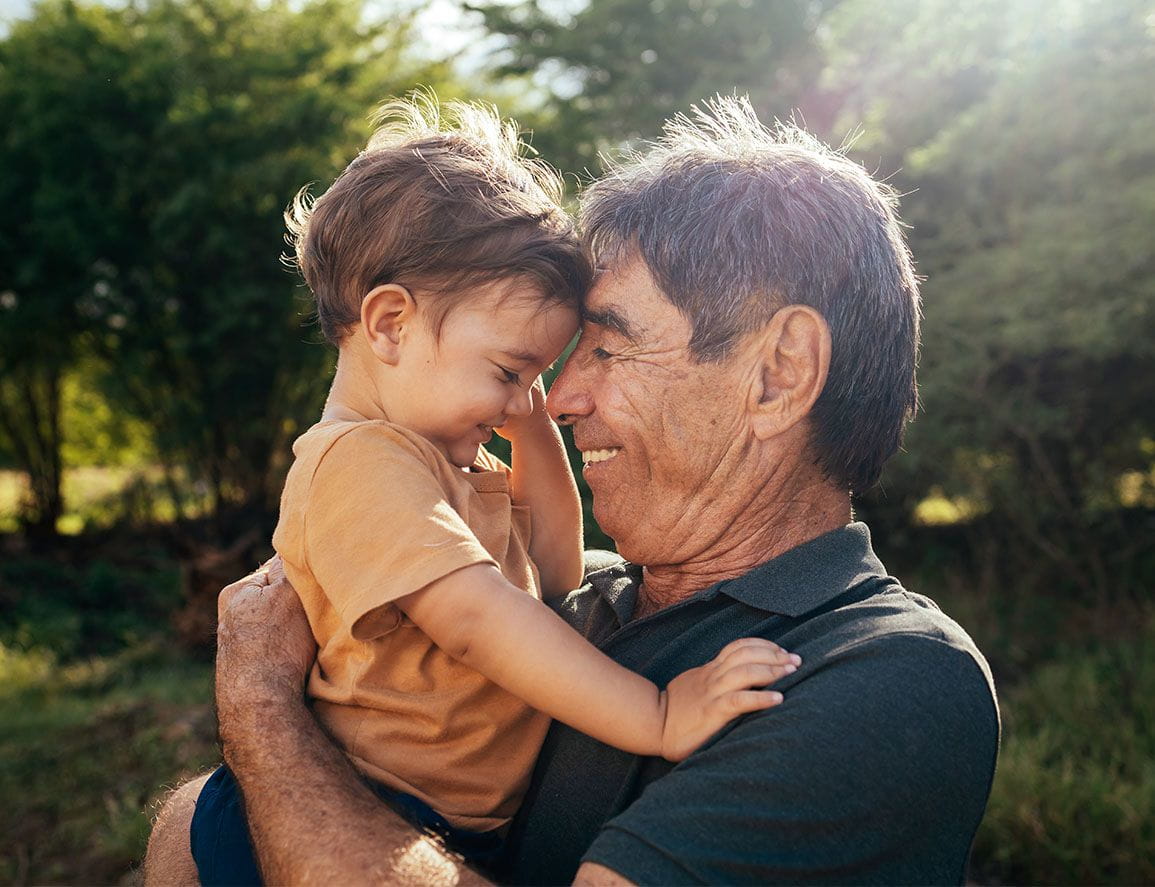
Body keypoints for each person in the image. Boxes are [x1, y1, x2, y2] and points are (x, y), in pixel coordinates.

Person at [145, 96, 999, 886]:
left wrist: (260, 713)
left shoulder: (887, 676)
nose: (555, 396)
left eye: (606, 347)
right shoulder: (584, 597)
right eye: (534, 364)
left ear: (777, 374)